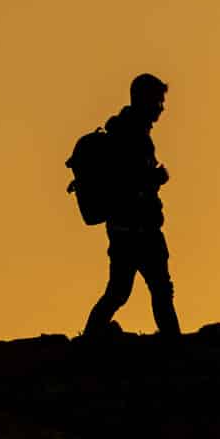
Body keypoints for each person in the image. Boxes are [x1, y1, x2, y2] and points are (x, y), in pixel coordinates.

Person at [81, 72, 179, 339]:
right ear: (143, 99)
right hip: (136, 228)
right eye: (158, 101)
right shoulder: (130, 135)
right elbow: (128, 179)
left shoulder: (129, 132)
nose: (161, 107)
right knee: (150, 290)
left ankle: (88, 340)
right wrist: (156, 177)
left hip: (129, 227)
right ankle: (175, 347)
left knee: (122, 291)